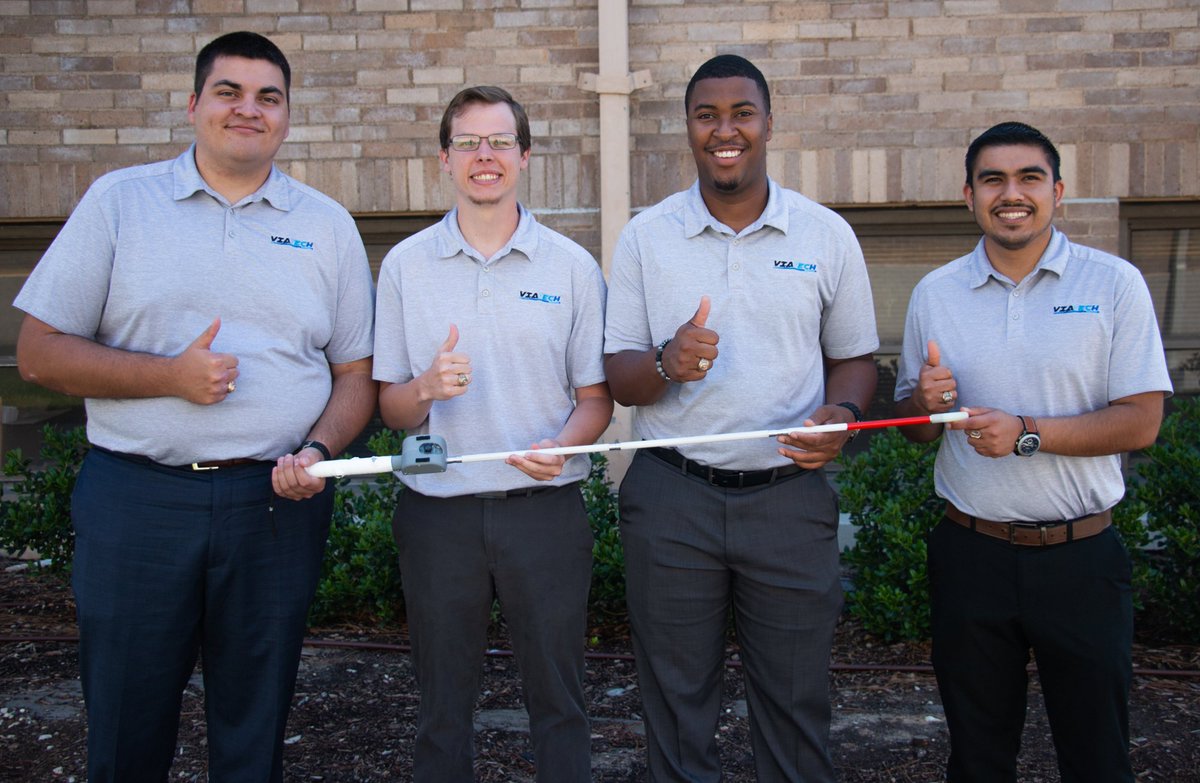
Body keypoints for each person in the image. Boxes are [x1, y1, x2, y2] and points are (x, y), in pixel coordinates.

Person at [12, 31, 376, 782]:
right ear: (193, 105)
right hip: (138, 499)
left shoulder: (327, 225)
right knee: (125, 722)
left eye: (268, 97)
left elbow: (355, 375)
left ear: (286, 115)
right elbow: (40, 350)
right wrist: (169, 377)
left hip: (274, 504)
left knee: (255, 727)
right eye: (229, 92)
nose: (250, 109)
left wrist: (319, 451)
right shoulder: (121, 203)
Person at [603, 54, 879, 782]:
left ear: (767, 123)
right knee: (675, 705)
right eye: (707, 115)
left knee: (794, 704)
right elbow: (621, 378)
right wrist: (666, 361)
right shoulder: (646, 236)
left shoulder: (824, 235)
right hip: (672, 497)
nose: (725, 130)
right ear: (688, 129)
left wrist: (842, 411)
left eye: (741, 113)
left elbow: (856, 359)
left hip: (788, 495)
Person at [894, 121, 1171, 782]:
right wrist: (924, 407)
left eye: (1029, 178)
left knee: (1098, 755)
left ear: (1058, 191)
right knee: (979, 755)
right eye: (993, 179)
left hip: (1082, 558)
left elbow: (1141, 421)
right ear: (969, 194)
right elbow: (914, 428)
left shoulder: (1114, 283)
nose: (1010, 193)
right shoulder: (936, 292)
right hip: (971, 554)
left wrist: (1025, 430)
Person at [373, 85, 611, 783]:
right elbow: (389, 408)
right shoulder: (405, 267)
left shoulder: (570, 267)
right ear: (445, 158)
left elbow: (596, 400)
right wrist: (424, 388)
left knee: (560, 700)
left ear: (525, 156)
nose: (485, 156)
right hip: (437, 515)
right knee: (442, 705)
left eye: (500, 141)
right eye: (469, 142)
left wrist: (564, 444)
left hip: (544, 513)